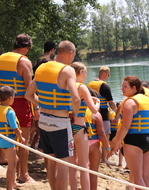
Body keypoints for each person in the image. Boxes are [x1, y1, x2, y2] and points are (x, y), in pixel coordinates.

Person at [25, 40, 80, 190]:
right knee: (63, 163)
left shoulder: (42, 68)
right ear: (70, 54)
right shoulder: (67, 70)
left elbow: (28, 94)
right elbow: (76, 98)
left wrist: (42, 105)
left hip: (44, 121)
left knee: (50, 162)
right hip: (60, 123)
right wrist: (74, 113)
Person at [111, 76, 149, 189]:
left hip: (134, 141)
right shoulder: (148, 100)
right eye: (122, 86)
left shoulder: (130, 103)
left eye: (125, 86)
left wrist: (117, 142)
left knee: (137, 177)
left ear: (134, 88)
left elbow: (125, 126)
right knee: (146, 175)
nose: (121, 88)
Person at [0, 33, 36, 183]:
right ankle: (23, 174)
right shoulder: (24, 62)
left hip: (1, 103)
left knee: (3, 134)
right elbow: (29, 90)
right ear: (27, 47)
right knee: (23, 140)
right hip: (19, 103)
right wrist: (37, 108)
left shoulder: (1, 58)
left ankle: (3, 161)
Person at [69, 62, 100, 190]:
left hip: (67, 127)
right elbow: (94, 111)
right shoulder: (82, 87)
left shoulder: (66, 86)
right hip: (80, 127)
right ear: (80, 72)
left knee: (71, 166)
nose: (86, 75)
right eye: (85, 72)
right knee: (83, 166)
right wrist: (97, 102)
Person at [87, 66, 117, 165]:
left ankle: (94, 155)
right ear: (106, 74)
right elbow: (111, 103)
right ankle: (104, 159)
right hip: (103, 114)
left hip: (90, 112)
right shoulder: (105, 86)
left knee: (94, 135)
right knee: (105, 135)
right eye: (108, 75)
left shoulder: (90, 83)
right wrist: (117, 113)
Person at [0, 85, 25, 190]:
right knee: (12, 164)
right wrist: (21, 137)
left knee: (16, 159)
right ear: (10, 98)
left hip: (2, 140)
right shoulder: (9, 111)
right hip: (7, 141)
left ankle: (13, 182)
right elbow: (15, 128)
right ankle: (9, 187)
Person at [85, 88, 110, 190]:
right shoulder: (96, 114)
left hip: (81, 142)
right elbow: (101, 133)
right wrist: (107, 148)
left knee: (83, 169)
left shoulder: (77, 111)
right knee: (94, 172)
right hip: (94, 144)